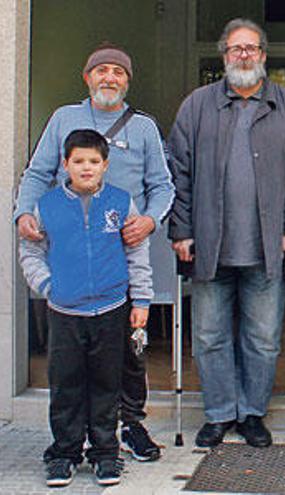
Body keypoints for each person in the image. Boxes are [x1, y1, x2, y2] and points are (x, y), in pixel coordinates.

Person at [14, 43, 172, 463]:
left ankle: (129, 427)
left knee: (126, 356)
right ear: (87, 77)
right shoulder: (64, 119)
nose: (109, 78)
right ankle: (78, 438)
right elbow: (37, 173)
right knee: (73, 366)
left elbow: (163, 184)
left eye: (117, 72)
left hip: (125, 254)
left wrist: (151, 220)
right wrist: (21, 215)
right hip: (74, 261)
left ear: (127, 80)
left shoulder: (143, 127)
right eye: (101, 71)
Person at [167, 18, 285, 449]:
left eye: (251, 48)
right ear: (224, 56)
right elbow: (177, 171)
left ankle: (252, 413)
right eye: (236, 49)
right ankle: (218, 414)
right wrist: (180, 227)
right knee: (210, 337)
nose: (244, 55)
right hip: (209, 245)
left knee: (264, 338)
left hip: (269, 246)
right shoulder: (196, 106)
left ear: (264, 56)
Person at [19, 129, 153, 487]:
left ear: (105, 165)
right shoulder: (46, 206)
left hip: (111, 309)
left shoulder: (121, 203)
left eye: (94, 161)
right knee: (66, 384)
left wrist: (140, 299)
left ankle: (105, 453)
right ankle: (64, 452)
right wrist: (49, 286)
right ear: (66, 164)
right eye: (78, 161)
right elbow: (31, 253)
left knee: (107, 384)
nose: (86, 167)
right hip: (64, 313)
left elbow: (137, 254)